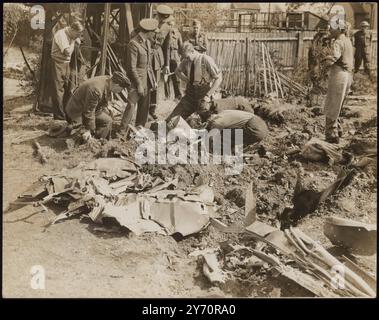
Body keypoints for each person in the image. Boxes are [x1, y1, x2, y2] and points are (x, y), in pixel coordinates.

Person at [166, 42, 222, 123]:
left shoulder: (205, 59)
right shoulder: (186, 60)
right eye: (184, 57)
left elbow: (219, 78)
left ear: (192, 51)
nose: (186, 59)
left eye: (187, 57)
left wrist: (208, 95)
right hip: (190, 95)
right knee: (171, 120)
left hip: (203, 95)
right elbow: (177, 71)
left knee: (210, 123)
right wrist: (188, 80)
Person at [65, 72, 130, 141]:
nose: (120, 91)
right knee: (83, 134)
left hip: (87, 108)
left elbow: (101, 100)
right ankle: (78, 132)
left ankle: (98, 141)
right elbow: (89, 111)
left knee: (107, 120)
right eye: (121, 89)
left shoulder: (108, 80)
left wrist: (107, 108)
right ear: (116, 85)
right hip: (77, 111)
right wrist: (89, 129)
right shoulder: (96, 89)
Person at [120, 18, 159, 129]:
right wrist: (139, 84)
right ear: (149, 32)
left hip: (147, 80)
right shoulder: (133, 43)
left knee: (144, 107)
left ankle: (139, 128)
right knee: (131, 105)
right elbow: (131, 68)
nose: (154, 35)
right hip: (136, 81)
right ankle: (122, 131)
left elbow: (148, 65)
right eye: (154, 33)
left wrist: (153, 80)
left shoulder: (147, 42)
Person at [322, 19, 354, 144]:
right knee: (339, 104)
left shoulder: (338, 42)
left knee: (332, 104)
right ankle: (338, 130)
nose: (330, 29)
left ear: (339, 29)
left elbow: (333, 59)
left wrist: (325, 60)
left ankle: (331, 134)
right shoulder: (347, 40)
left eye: (332, 28)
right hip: (348, 75)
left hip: (339, 74)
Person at [51, 21, 84, 120]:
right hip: (57, 63)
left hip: (66, 64)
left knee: (69, 89)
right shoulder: (61, 35)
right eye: (77, 34)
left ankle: (67, 114)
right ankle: (59, 117)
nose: (78, 36)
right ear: (72, 30)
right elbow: (67, 52)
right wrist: (74, 41)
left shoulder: (71, 34)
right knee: (58, 91)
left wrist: (75, 39)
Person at [149, 4, 174, 120]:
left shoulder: (168, 28)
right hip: (146, 55)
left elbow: (167, 47)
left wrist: (167, 65)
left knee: (155, 84)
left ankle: (152, 109)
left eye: (165, 18)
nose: (163, 20)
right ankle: (143, 108)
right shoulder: (148, 24)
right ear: (157, 15)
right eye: (161, 18)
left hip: (157, 59)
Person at [164, 16, 183, 100]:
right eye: (169, 24)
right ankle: (167, 96)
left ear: (174, 24)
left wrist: (180, 57)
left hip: (175, 57)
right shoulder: (163, 33)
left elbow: (181, 47)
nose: (170, 26)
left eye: (171, 24)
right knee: (166, 77)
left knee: (176, 77)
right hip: (166, 57)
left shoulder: (177, 34)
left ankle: (178, 95)